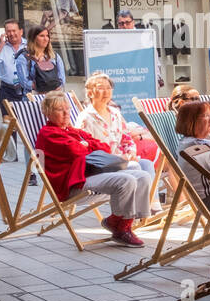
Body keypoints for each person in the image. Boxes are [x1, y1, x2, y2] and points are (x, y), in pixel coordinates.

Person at [36, 91, 152, 248]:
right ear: (48, 113)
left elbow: (103, 146)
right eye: (59, 109)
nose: (66, 113)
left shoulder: (71, 131)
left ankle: (119, 222)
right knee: (127, 180)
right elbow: (75, 151)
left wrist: (85, 145)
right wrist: (86, 145)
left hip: (90, 174)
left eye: (68, 108)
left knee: (143, 176)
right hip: (74, 184)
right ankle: (120, 228)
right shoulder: (48, 133)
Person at [75, 72, 160, 207]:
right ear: (90, 93)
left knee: (147, 164)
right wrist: (122, 158)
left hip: (121, 160)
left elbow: (126, 137)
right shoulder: (85, 118)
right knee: (135, 166)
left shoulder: (115, 113)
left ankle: (153, 207)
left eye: (109, 87)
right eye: (100, 87)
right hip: (101, 165)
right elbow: (88, 151)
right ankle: (134, 212)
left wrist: (131, 152)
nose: (106, 91)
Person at [0, 19, 27, 161]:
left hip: (25, 89)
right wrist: (1, 44)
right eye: (8, 31)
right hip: (7, 89)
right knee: (8, 122)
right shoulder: (0, 46)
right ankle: (12, 155)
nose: (11, 34)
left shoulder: (28, 46)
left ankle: (31, 152)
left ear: (20, 31)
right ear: (5, 33)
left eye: (14, 30)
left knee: (26, 121)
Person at [115, 9, 164, 90]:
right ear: (117, 25)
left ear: (133, 22)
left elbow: (155, 61)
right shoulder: (114, 39)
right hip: (123, 84)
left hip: (144, 82)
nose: (125, 26)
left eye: (127, 22)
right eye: (121, 23)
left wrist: (157, 79)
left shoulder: (144, 37)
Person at [15, 25, 66, 96]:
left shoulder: (54, 56)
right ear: (33, 38)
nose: (46, 39)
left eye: (47, 36)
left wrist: (51, 90)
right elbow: (24, 82)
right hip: (33, 98)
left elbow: (62, 79)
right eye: (42, 36)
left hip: (54, 98)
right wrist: (42, 88)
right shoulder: (24, 58)